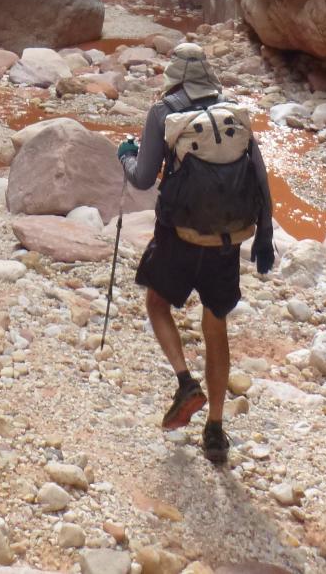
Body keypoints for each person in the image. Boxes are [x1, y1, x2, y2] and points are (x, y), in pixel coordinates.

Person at [117, 42, 274, 463]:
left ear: (174, 76)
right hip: (227, 241)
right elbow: (259, 176)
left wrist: (126, 157)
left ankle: (186, 383)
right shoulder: (233, 114)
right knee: (215, 324)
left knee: (156, 302)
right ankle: (216, 429)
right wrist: (265, 236)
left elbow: (145, 179)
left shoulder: (163, 113)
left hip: (180, 238)